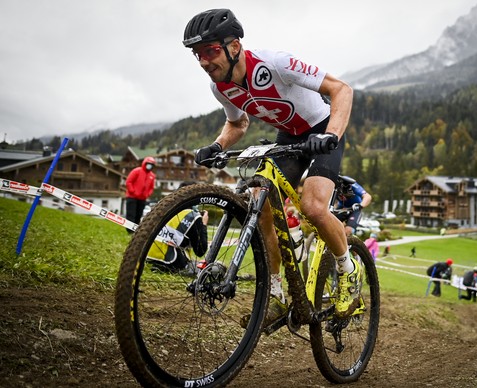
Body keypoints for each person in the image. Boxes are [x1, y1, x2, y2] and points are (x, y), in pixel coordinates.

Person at [184, 9, 357, 325]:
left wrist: (330, 135)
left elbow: (342, 90)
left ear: (234, 46)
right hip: (288, 136)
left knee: (314, 207)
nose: (204, 62)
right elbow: (237, 123)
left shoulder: (275, 63)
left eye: (210, 51)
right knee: (259, 203)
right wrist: (217, 146)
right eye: (198, 55)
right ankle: (275, 296)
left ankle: (347, 271)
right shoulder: (220, 86)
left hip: (321, 130)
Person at [147, 182, 209, 274]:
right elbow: (200, 251)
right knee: (215, 268)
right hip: (173, 263)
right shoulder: (191, 216)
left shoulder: (161, 207)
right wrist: (203, 224)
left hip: (149, 259)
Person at [125, 156, 156, 232]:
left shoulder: (152, 176)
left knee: (138, 215)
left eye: (151, 165)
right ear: (145, 163)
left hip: (142, 199)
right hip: (132, 197)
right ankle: (129, 230)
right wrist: (133, 191)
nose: (149, 166)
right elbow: (129, 182)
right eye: (148, 164)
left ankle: (135, 230)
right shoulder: (137, 171)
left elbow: (151, 187)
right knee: (131, 214)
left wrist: (147, 194)